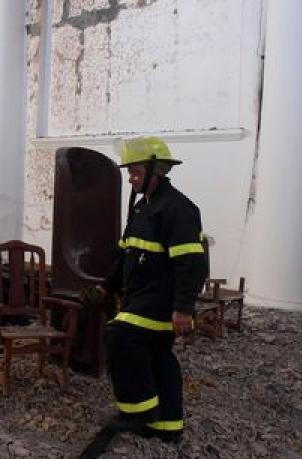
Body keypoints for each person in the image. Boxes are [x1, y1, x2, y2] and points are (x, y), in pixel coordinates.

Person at [82, 136, 208, 443]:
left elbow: (192, 264)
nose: (131, 178)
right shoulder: (142, 209)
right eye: (131, 172)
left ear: (158, 171)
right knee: (157, 354)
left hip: (161, 299)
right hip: (140, 296)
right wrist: (105, 289)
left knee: (121, 335)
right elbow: (124, 257)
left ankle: (139, 412)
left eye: (136, 172)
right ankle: (167, 426)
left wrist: (183, 308)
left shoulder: (178, 209)